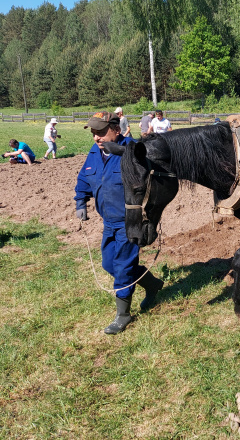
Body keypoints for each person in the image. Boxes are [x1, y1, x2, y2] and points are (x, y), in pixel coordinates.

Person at [74, 111, 164, 335]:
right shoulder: (95, 151)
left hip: (129, 221)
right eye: (94, 133)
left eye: (101, 132)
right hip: (109, 222)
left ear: (116, 129)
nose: (96, 137)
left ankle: (123, 314)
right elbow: (85, 177)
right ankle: (152, 285)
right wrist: (80, 202)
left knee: (123, 267)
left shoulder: (132, 151)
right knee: (108, 265)